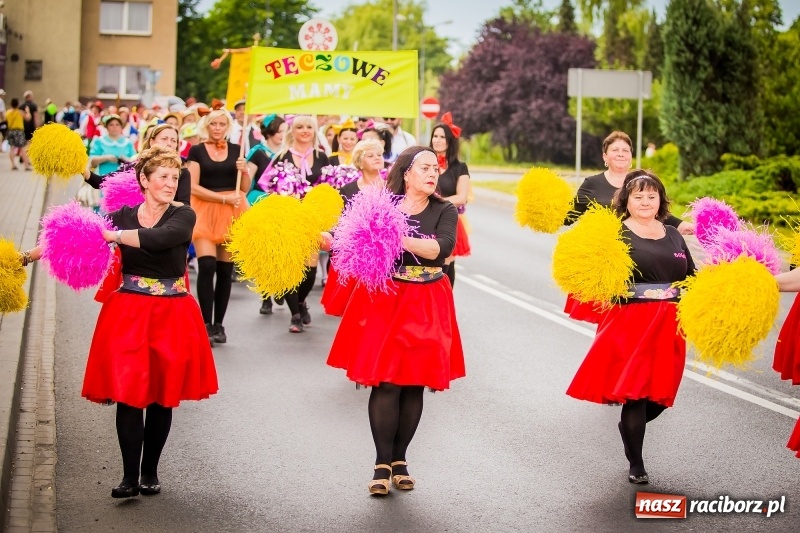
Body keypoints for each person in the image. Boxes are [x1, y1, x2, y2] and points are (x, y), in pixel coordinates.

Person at [327, 146, 465, 495]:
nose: (433, 173)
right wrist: (328, 238)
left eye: (436, 168)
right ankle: (381, 463)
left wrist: (396, 237)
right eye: (425, 167)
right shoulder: (381, 205)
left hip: (427, 300)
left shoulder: (444, 208)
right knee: (386, 382)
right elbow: (350, 241)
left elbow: (442, 248)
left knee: (414, 382)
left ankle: (401, 459)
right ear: (407, 173)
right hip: (386, 299)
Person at [82, 146, 217, 498]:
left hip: (171, 312)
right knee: (128, 395)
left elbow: (162, 240)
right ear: (144, 179)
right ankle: (128, 477)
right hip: (128, 312)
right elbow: (80, 238)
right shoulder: (122, 215)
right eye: (164, 177)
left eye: (175, 178)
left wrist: (116, 237)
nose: (171, 183)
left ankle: (150, 472)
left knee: (161, 396)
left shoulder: (183, 215)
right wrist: (24, 257)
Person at [566, 169, 695, 485]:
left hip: (670, 325)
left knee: (661, 394)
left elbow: (692, 274)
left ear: (661, 200)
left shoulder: (673, 235)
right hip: (630, 323)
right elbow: (594, 275)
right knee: (636, 393)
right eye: (639, 196)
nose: (646, 201)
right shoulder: (616, 234)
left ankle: (629, 425)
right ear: (626, 200)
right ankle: (636, 462)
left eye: (652, 196)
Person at [563, 131, 693, 323]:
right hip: (614, 252)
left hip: (648, 246)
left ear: (631, 156)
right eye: (615, 149)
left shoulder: (643, 181)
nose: (621, 153)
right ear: (605, 156)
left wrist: (681, 225)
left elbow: (656, 211)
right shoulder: (593, 184)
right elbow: (570, 215)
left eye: (626, 150)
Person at [187, 109, 250, 344]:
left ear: (228, 126)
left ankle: (219, 325)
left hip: (232, 211)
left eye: (222, 124)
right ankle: (205, 322)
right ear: (206, 125)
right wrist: (222, 199)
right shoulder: (197, 151)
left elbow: (243, 188)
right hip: (205, 210)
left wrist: (244, 170)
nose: (217, 127)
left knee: (225, 270)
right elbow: (192, 186)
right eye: (213, 123)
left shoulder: (236, 151)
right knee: (207, 265)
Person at [272, 115, 330, 332]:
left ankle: (301, 301)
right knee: (291, 268)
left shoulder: (322, 157)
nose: (304, 130)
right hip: (288, 217)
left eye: (309, 127)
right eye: (299, 127)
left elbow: (329, 188)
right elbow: (272, 187)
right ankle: (295, 316)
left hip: (313, 219)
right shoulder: (282, 156)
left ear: (314, 131)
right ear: (291, 131)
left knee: (310, 271)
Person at [320, 139, 386, 316]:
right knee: (355, 309)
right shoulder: (347, 190)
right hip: (356, 254)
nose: (377, 158)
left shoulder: (393, 187)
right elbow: (342, 223)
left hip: (384, 255)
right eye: (370, 155)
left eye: (379, 154)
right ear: (359, 162)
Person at [244, 113, 287, 315]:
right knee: (264, 249)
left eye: (284, 131)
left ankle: (278, 284)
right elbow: (249, 179)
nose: (282, 135)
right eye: (279, 131)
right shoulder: (258, 153)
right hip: (260, 201)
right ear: (270, 132)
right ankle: (265, 296)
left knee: (282, 248)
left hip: (283, 203)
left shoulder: (288, 152)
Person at [430, 115, 470, 287]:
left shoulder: (459, 167)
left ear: (450, 141)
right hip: (426, 219)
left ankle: (444, 308)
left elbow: (462, 197)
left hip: (447, 220)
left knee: (445, 268)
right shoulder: (424, 161)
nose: (437, 140)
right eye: (435, 136)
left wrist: (436, 201)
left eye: (442, 137)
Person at [5, 99, 31, 170]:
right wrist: (28, 111)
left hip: (10, 131)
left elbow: (5, 120)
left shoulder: (8, 112)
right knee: (23, 148)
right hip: (19, 131)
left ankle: (13, 165)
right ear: (18, 104)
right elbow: (28, 118)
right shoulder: (20, 112)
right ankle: (26, 166)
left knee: (11, 148)